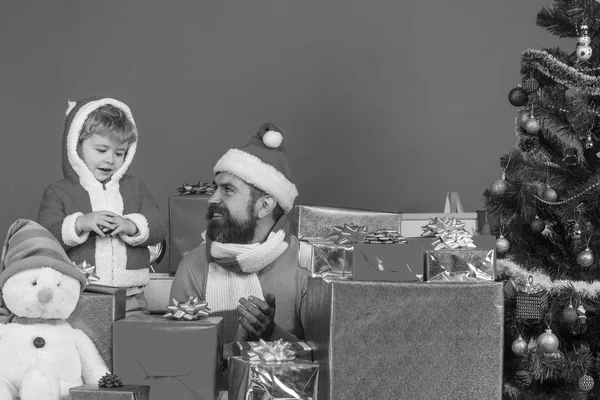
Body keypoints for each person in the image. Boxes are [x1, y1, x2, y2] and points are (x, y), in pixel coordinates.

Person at [170, 122, 308, 361]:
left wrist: (269, 334)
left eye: (227, 190)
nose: (212, 198)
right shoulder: (193, 267)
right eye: (216, 188)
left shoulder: (304, 266)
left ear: (264, 205)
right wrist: (233, 349)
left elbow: (328, 365)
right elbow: (178, 360)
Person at [37, 97, 167, 316]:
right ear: (75, 146)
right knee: (84, 346)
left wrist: (131, 225)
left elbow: (158, 226)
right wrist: (80, 223)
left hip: (131, 296)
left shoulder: (135, 188)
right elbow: (45, 237)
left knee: (133, 347)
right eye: (101, 150)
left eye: (119, 153)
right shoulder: (59, 191)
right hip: (79, 295)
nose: (111, 160)